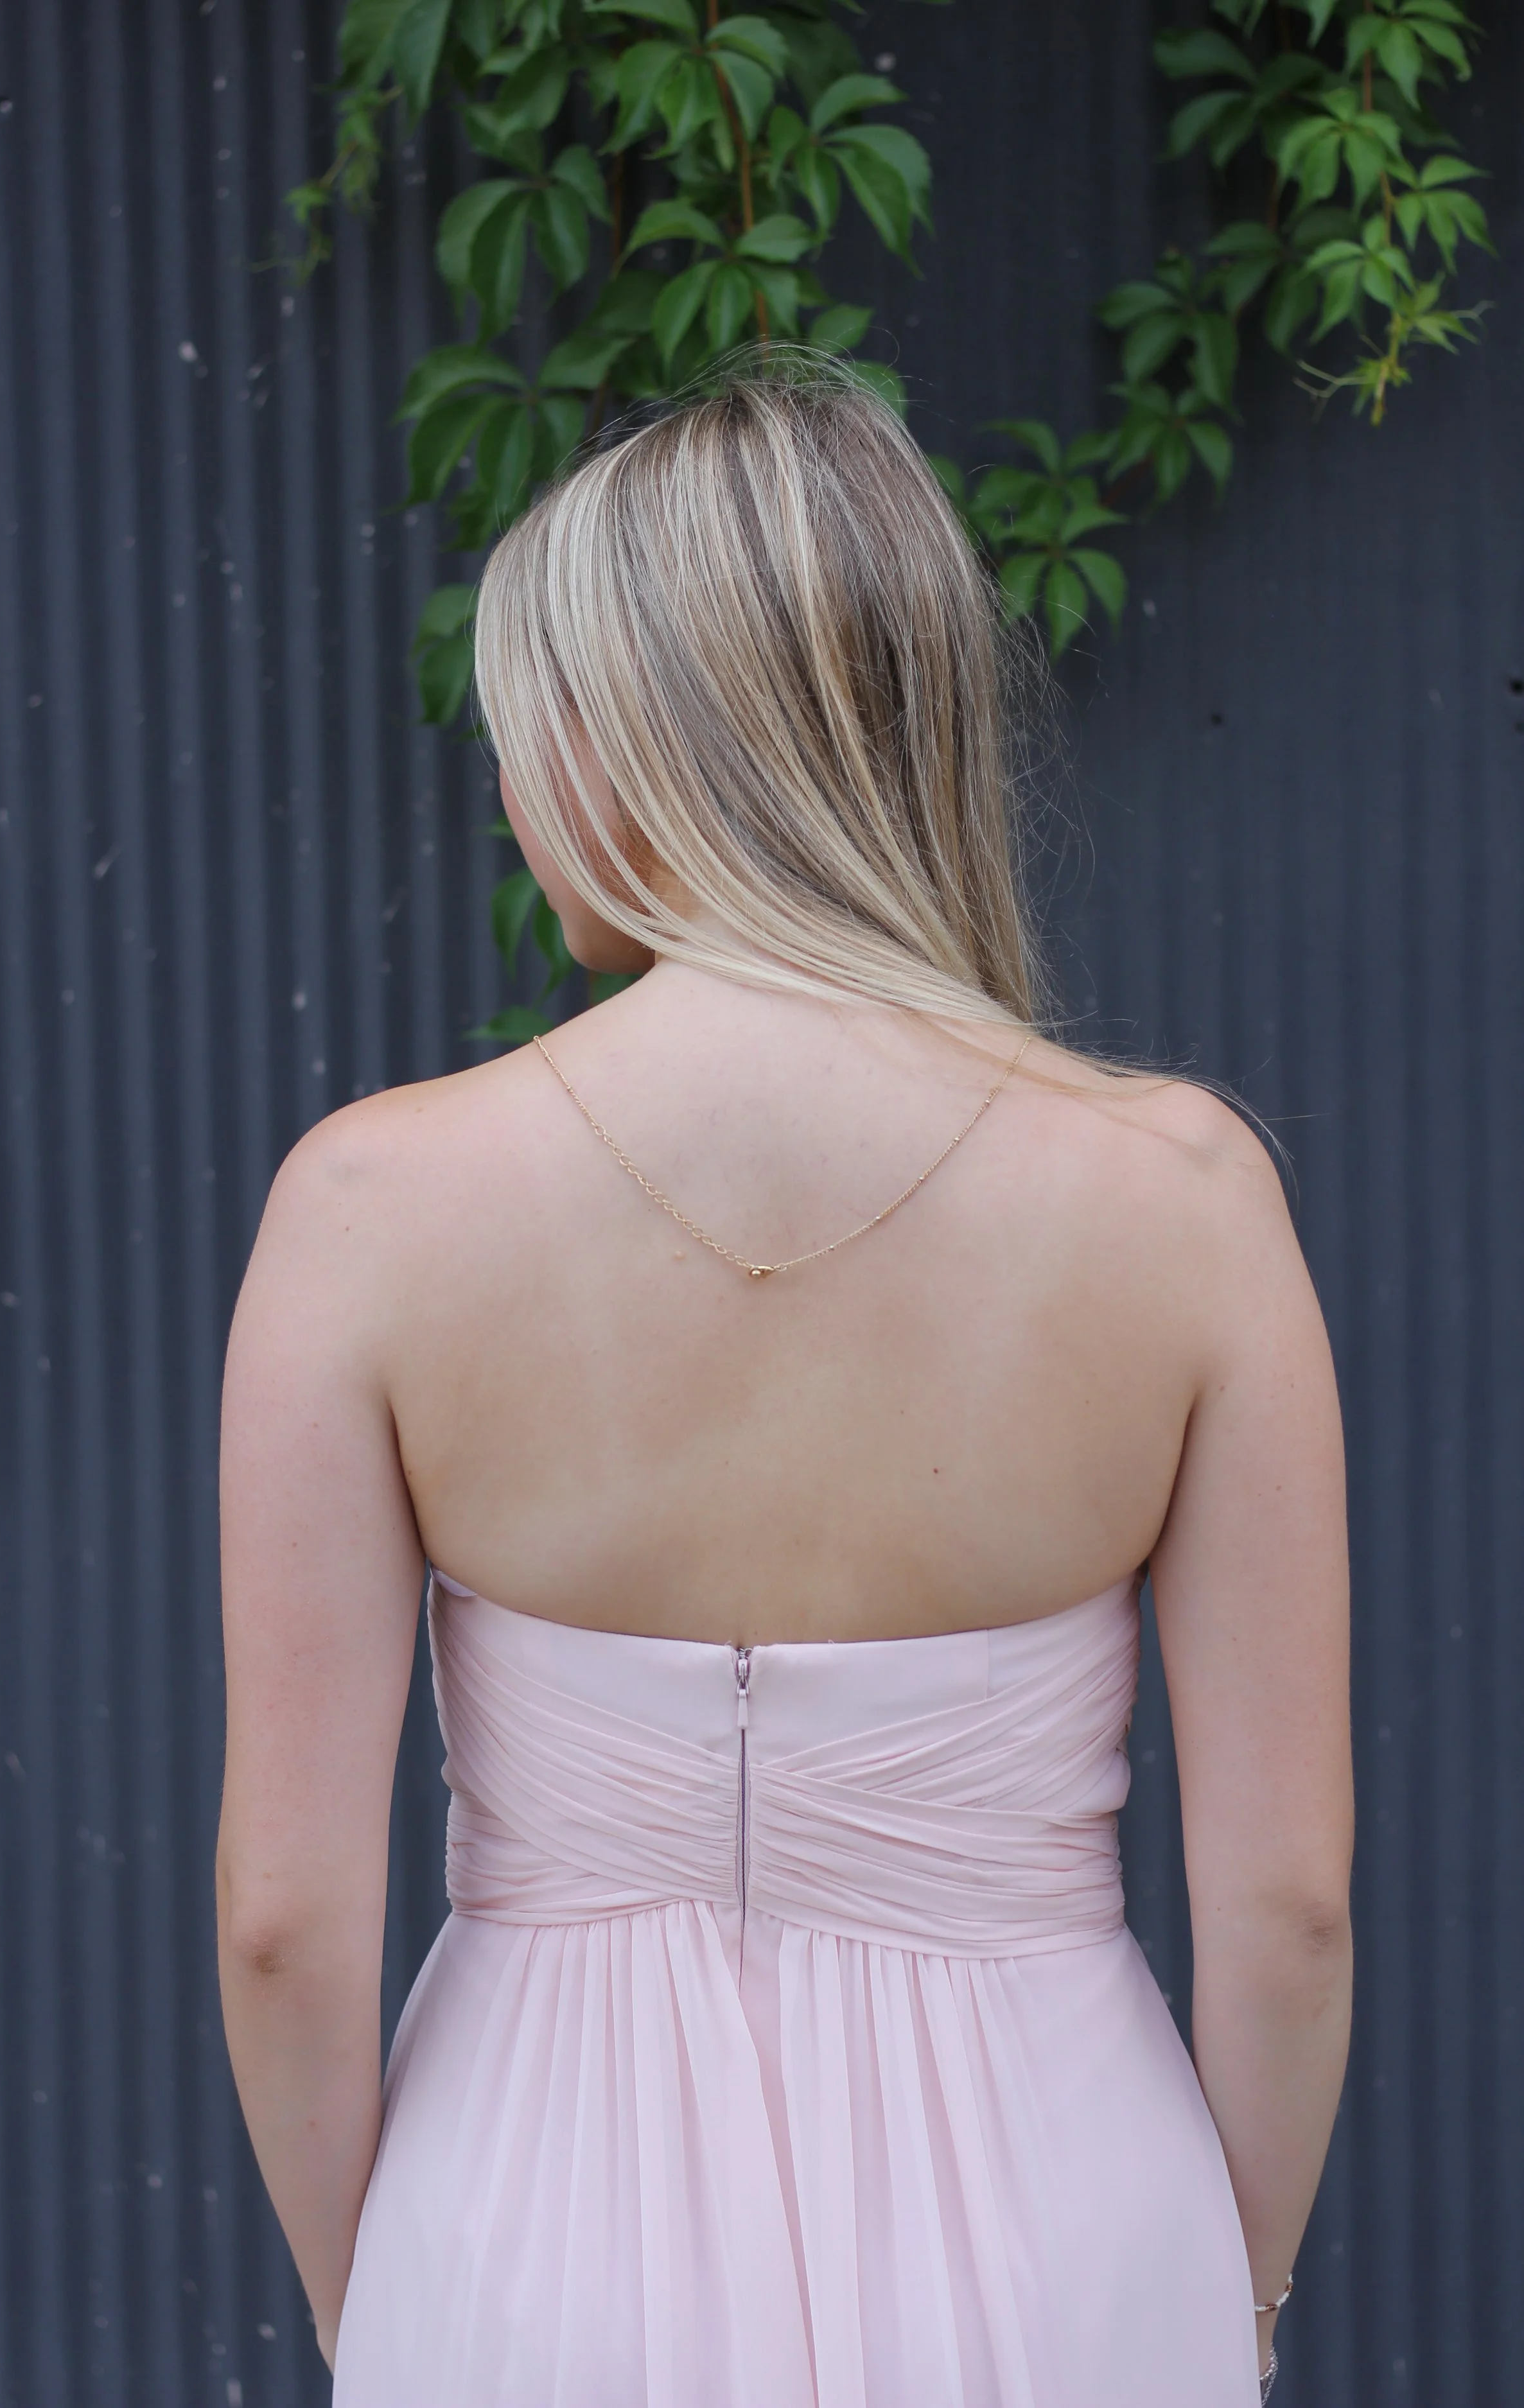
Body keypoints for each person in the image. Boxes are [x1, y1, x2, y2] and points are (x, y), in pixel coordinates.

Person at [216, 362, 1353, 2406]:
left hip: (526, 2247)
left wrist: (370, 2303)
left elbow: (285, 1921)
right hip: (1067, 2238)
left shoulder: (369, 1209)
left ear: (629, 744)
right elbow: (1287, 1908)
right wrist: (1229, 2305)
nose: (512, 791)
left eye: (524, 729)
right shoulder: (1183, 1198)